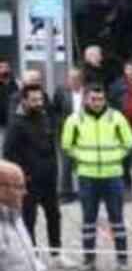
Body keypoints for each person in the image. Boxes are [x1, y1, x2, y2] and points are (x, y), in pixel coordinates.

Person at [60, 85, 132, 271]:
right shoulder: (75, 119)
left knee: (117, 220)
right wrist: (83, 157)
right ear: (86, 99)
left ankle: (122, 260)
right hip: (87, 176)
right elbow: (67, 145)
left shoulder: (116, 117)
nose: (97, 102)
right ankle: (89, 260)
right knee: (88, 221)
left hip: (112, 175)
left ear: (105, 99)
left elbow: (129, 142)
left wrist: (115, 156)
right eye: (93, 99)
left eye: (100, 99)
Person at [3, 86, 61, 259]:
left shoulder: (45, 118)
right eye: (34, 100)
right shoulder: (16, 124)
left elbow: (51, 148)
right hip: (28, 181)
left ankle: (56, 253)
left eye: (40, 99)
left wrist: (54, 171)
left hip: (48, 179)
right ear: (24, 101)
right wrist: (22, 176)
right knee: (29, 219)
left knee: (54, 215)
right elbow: (8, 154)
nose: (39, 103)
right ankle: (32, 256)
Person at [107, 59, 132, 193]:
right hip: (123, 126)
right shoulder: (117, 86)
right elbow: (111, 104)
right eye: (130, 69)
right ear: (125, 71)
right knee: (124, 157)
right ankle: (126, 185)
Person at [53, 69, 85, 203]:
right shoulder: (61, 91)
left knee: (83, 162)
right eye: (71, 78)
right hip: (66, 132)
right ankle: (65, 193)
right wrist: (61, 123)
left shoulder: (88, 91)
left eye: (76, 78)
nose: (73, 81)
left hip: (85, 132)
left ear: (81, 79)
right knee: (66, 163)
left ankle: (84, 192)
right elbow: (55, 111)